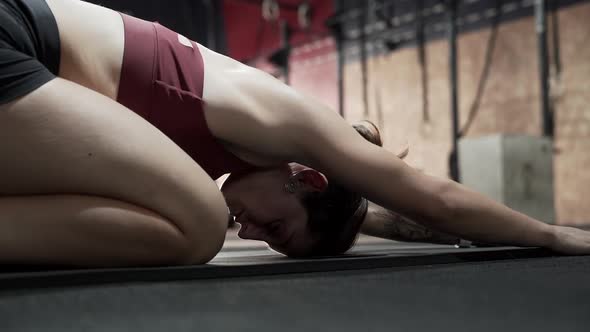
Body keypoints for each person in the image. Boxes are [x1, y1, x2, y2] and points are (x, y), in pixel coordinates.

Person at [0, 0, 588, 267]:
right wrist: (553, 235)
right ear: (305, 177)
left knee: (165, 210)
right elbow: (431, 196)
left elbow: (368, 210)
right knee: (197, 223)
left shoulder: (285, 175)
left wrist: (465, 236)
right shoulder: (286, 119)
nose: (250, 233)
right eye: (272, 227)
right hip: (13, 42)